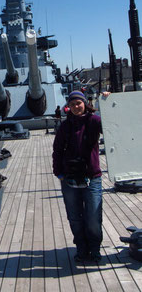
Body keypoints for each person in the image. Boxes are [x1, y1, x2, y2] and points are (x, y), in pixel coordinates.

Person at [52, 90, 109, 263]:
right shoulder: (65, 126)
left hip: (92, 177)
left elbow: (113, 123)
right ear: (68, 107)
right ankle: (82, 249)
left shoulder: (94, 121)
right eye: (72, 104)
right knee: (75, 217)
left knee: (92, 217)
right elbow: (57, 150)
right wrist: (59, 173)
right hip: (69, 178)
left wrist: (108, 100)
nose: (76, 107)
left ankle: (94, 248)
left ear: (85, 103)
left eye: (79, 103)